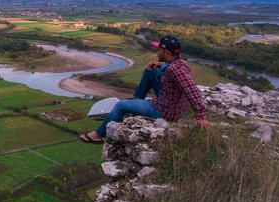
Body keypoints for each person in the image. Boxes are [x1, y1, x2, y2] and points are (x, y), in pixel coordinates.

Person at [80, 34, 211, 143]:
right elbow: (174, 75)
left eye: (159, 50)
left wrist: (200, 116)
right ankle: (136, 100)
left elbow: (192, 89)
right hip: (170, 99)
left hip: (164, 110)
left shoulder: (175, 70)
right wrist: (160, 65)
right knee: (150, 70)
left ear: (166, 52)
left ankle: (97, 135)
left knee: (120, 105)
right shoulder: (180, 63)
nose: (157, 52)